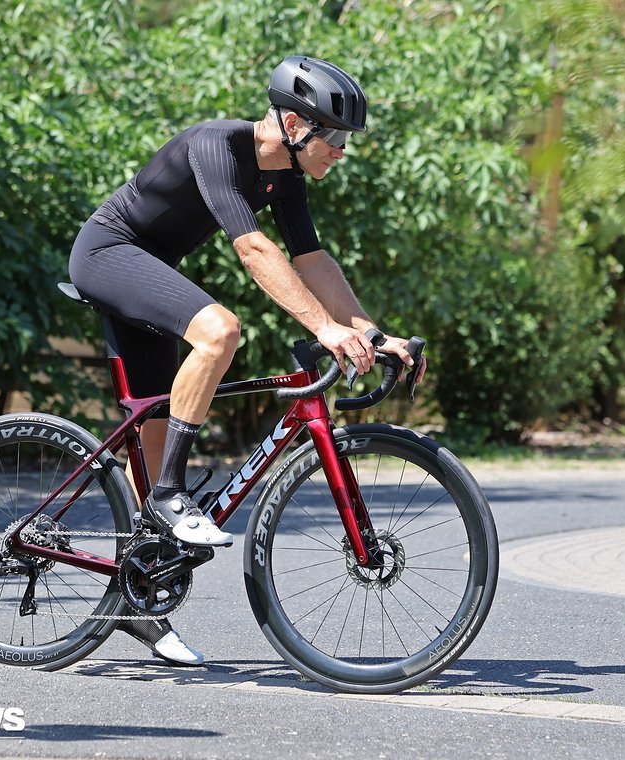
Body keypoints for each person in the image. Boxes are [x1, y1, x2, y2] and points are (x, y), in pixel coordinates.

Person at [68, 56, 423, 666]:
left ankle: (137, 601)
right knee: (220, 330)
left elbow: (312, 261)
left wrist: (370, 331)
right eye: (334, 137)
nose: (340, 150)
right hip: (107, 254)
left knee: (150, 442)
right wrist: (324, 328)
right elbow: (254, 251)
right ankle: (173, 497)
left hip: (151, 272)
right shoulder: (217, 146)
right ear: (292, 121)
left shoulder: (286, 178)